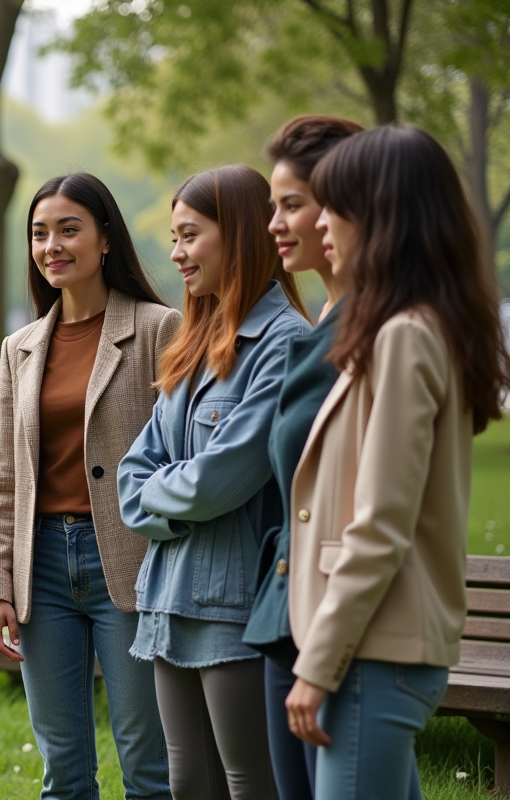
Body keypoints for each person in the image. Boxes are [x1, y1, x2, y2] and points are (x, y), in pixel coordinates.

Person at [285, 125, 510, 799]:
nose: (319, 221)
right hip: (378, 648)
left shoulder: (407, 337)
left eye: (335, 204)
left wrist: (318, 666)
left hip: (373, 652)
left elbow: (381, 522)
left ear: (383, 214)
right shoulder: (414, 327)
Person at [0, 173, 179, 800]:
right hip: (41, 571)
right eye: (40, 233)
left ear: (106, 240)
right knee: (62, 768)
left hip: (131, 561)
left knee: (147, 760)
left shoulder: (158, 329)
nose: (52, 246)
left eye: (69, 229)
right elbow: (6, 477)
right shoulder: (21, 347)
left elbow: (180, 455)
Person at [118, 165, 311, 800]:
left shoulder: (284, 343)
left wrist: (160, 491)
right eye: (173, 238)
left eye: (189, 236)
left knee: (249, 780)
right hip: (169, 598)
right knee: (187, 781)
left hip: (234, 607)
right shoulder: (195, 340)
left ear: (243, 236)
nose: (176, 254)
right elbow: (130, 474)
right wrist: (165, 489)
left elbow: (221, 478)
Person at [241, 115, 363, 800]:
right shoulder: (325, 322)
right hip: (285, 610)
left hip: (337, 625)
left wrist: (322, 658)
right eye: (273, 208)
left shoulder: (378, 331)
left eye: (291, 205)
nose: (274, 225)